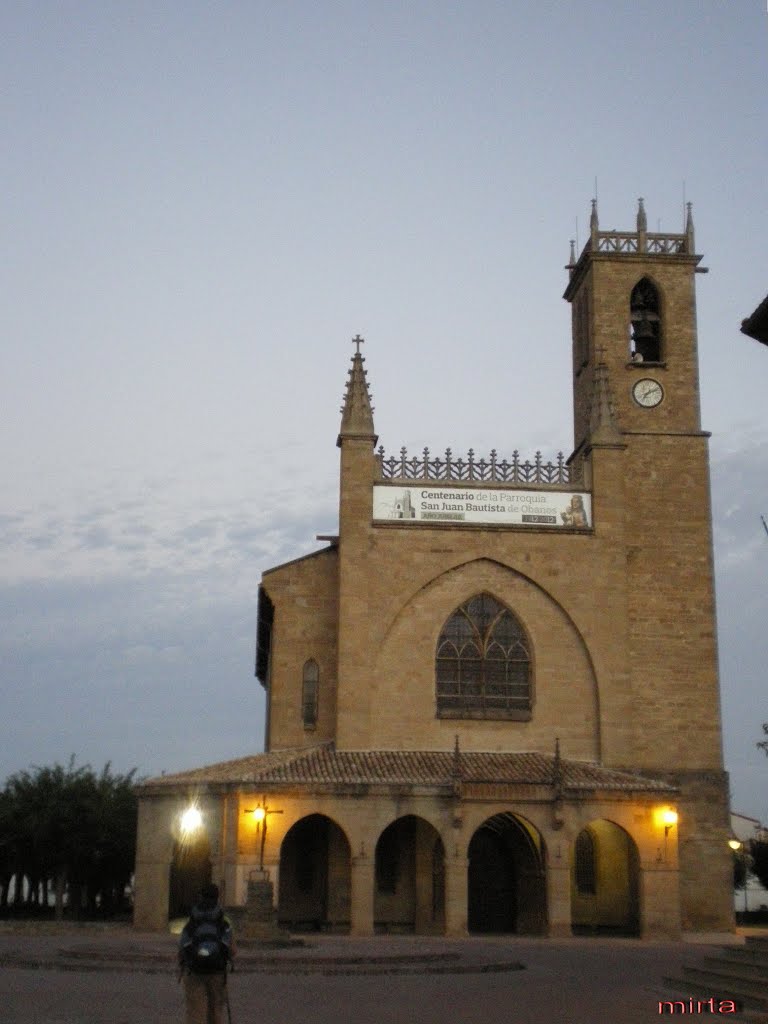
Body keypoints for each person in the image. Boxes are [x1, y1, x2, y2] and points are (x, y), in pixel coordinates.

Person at [178, 883, 235, 1024]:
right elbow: (232, 949)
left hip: (194, 972)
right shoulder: (223, 921)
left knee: (195, 1012)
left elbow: (182, 944)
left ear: (200, 897)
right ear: (218, 897)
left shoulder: (192, 920)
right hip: (217, 972)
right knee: (216, 1011)